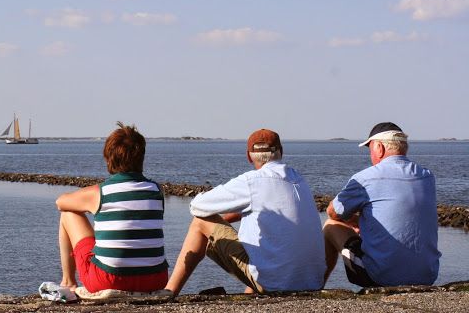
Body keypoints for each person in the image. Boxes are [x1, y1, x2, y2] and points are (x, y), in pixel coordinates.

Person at [166, 129, 325, 295]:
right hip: (312, 281)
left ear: (249, 156)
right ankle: (250, 294)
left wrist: (221, 219)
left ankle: (169, 292)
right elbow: (267, 209)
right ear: (281, 151)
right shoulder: (299, 179)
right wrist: (229, 218)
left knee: (200, 222)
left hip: (275, 284)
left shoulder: (252, 182)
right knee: (266, 247)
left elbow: (197, 206)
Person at [323, 122, 440, 287]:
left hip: (381, 278)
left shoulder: (366, 178)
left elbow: (333, 212)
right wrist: (362, 223)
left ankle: (317, 287)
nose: (370, 155)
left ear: (379, 148)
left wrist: (353, 222)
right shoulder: (427, 176)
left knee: (330, 225)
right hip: (427, 275)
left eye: (370, 149)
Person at [55, 122, 168, 293]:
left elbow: (60, 202)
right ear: (141, 157)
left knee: (68, 213)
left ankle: (68, 282)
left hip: (108, 280)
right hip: (155, 280)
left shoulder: (100, 192)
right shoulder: (157, 190)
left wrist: (89, 205)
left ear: (109, 157)